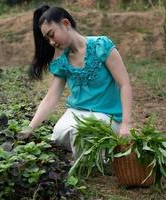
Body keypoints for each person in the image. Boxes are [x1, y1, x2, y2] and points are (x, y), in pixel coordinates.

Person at [18, 5, 132, 157]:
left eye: (52, 34)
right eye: (47, 39)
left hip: (107, 115)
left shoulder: (101, 46)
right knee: (59, 132)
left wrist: (126, 124)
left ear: (66, 24)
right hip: (77, 113)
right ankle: (91, 154)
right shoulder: (62, 62)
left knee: (81, 133)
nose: (51, 42)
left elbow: (124, 84)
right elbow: (51, 97)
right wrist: (30, 128)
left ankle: (93, 160)